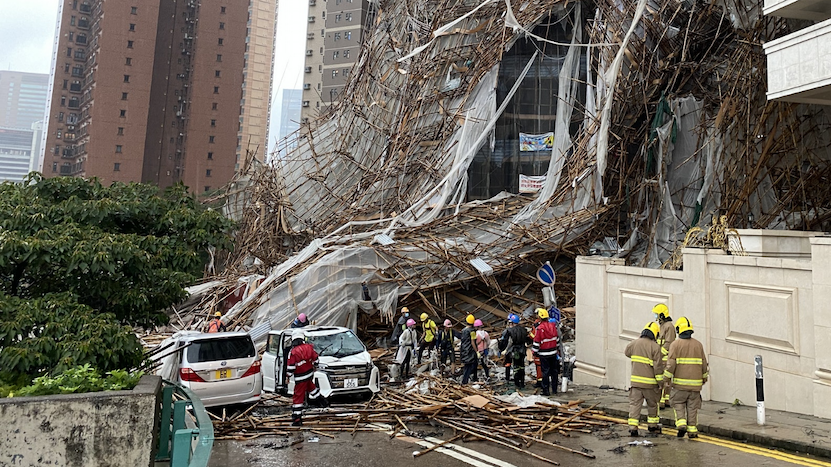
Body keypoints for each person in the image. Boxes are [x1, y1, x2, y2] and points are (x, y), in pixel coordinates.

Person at [663, 317, 709, 438]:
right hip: (695, 386)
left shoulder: (675, 345)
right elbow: (704, 364)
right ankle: (692, 430)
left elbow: (671, 364)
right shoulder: (698, 345)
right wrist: (704, 378)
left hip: (679, 385)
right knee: (693, 408)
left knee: (678, 404)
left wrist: (666, 379)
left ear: (678, 329)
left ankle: (681, 423)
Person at [624, 322, 663, 436]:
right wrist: (660, 383)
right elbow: (658, 368)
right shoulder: (655, 347)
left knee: (635, 404)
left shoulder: (634, 344)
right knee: (652, 405)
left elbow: (627, 352)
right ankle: (652, 426)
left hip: (636, 383)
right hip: (650, 384)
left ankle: (633, 427)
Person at [287, 331, 325, 426]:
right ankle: (323, 402)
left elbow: (291, 367)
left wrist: (287, 375)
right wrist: (315, 366)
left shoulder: (293, 352)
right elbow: (316, 359)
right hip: (309, 374)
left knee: (298, 397)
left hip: (300, 377)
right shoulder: (309, 347)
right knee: (311, 387)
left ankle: (297, 418)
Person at [532, 308, 559, 396]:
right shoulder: (553, 326)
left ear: (540, 317)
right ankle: (554, 389)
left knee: (545, 372)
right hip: (553, 353)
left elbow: (536, 342)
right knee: (554, 372)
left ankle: (546, 390)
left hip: (544, 354)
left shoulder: (540, 328)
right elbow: (557, 339)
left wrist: (534, 352)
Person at [653, 303, 676, 408]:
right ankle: (665, 400)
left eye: (657, 314)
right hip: (661, 357)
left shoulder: (669, 326)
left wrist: (660, 353)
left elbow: (669, 342)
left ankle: (663, 400)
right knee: (663, 380)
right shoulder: (662, 326)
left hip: (665, 358)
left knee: (664, 380)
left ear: (662, 315)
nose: (656, 317)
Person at [500, 313, 530, 388]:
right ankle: (522, 382)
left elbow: (506, 341)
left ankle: (517, 383)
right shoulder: (524, 330)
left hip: (515, 350)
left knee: (516, 367)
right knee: (522, 366)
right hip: (522, 350)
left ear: (512, 322)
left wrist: (503, 349)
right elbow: (528, 340)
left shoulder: (509, 331)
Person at [459, 314, 478, 384]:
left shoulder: (463, 330)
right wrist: (477, 351)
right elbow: (473, 342)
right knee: (469, 367)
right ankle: (465, 382)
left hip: (464, 350)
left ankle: (467, 380)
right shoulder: (472, 331)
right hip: (470, 351)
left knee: (466, 366)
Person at [528, 316, 544, 388]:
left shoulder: (537, 326)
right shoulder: (549, 326)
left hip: (539, 349)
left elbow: (533, 336)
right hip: (548, 349)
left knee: (539, 366)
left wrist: (529, 333)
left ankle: (540, 381)